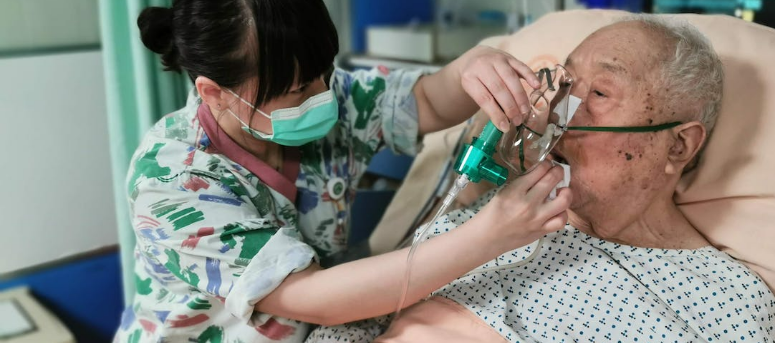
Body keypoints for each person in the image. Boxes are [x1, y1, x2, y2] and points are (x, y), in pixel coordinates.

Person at [113, 0, 574, 342]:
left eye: (324, 73)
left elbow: (429, 100)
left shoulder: (332, 97)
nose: (323, 97)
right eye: (297, 91)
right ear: (214, 94)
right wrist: (488, 236)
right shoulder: (173, 182)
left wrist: (473, 66)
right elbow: (312, 297)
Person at [307, 15, 775, 343]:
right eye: (566, 85)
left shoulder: (724, 301)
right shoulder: (482, 224)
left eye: (599, 91)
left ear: (678, 146)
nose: (562, 112)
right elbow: (348, 323)